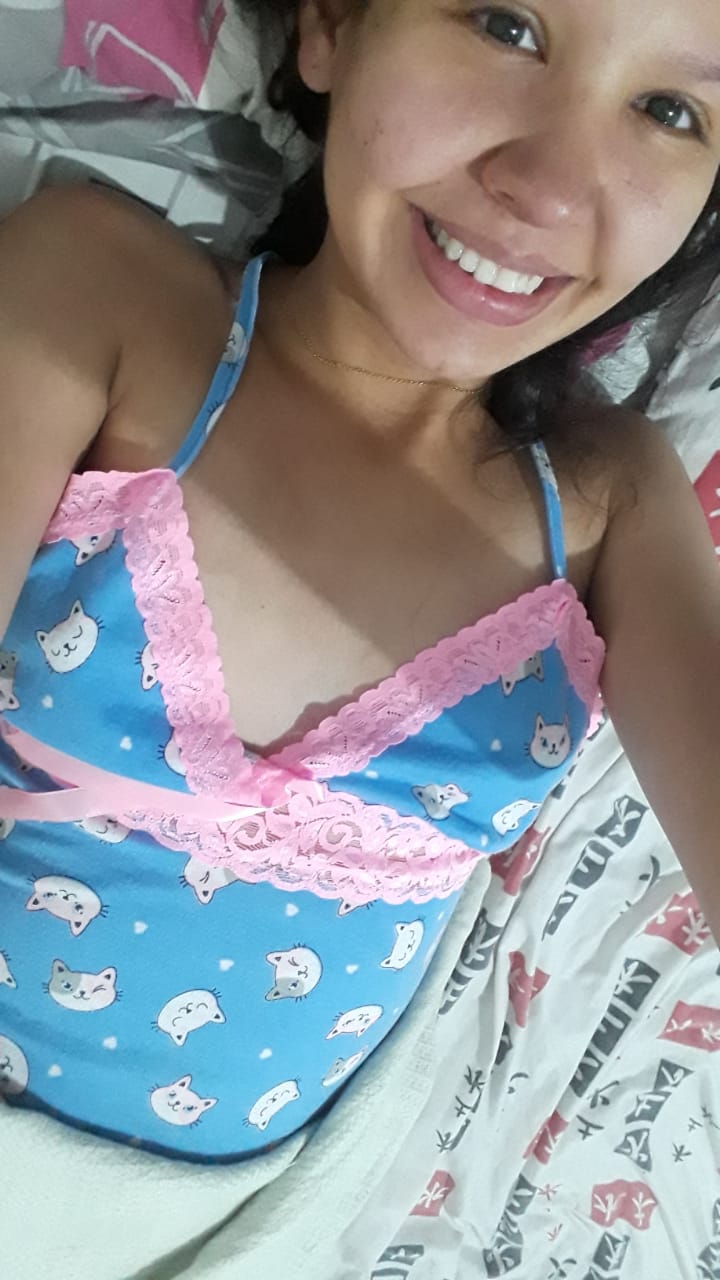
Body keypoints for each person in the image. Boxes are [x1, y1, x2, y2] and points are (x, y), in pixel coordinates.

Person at [0, 0, 718, 1164]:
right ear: (332, 24)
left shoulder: (612, 499)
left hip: (226, 1225)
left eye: (670, 109)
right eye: (506, 26)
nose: (549, 190)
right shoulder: (103, 294)